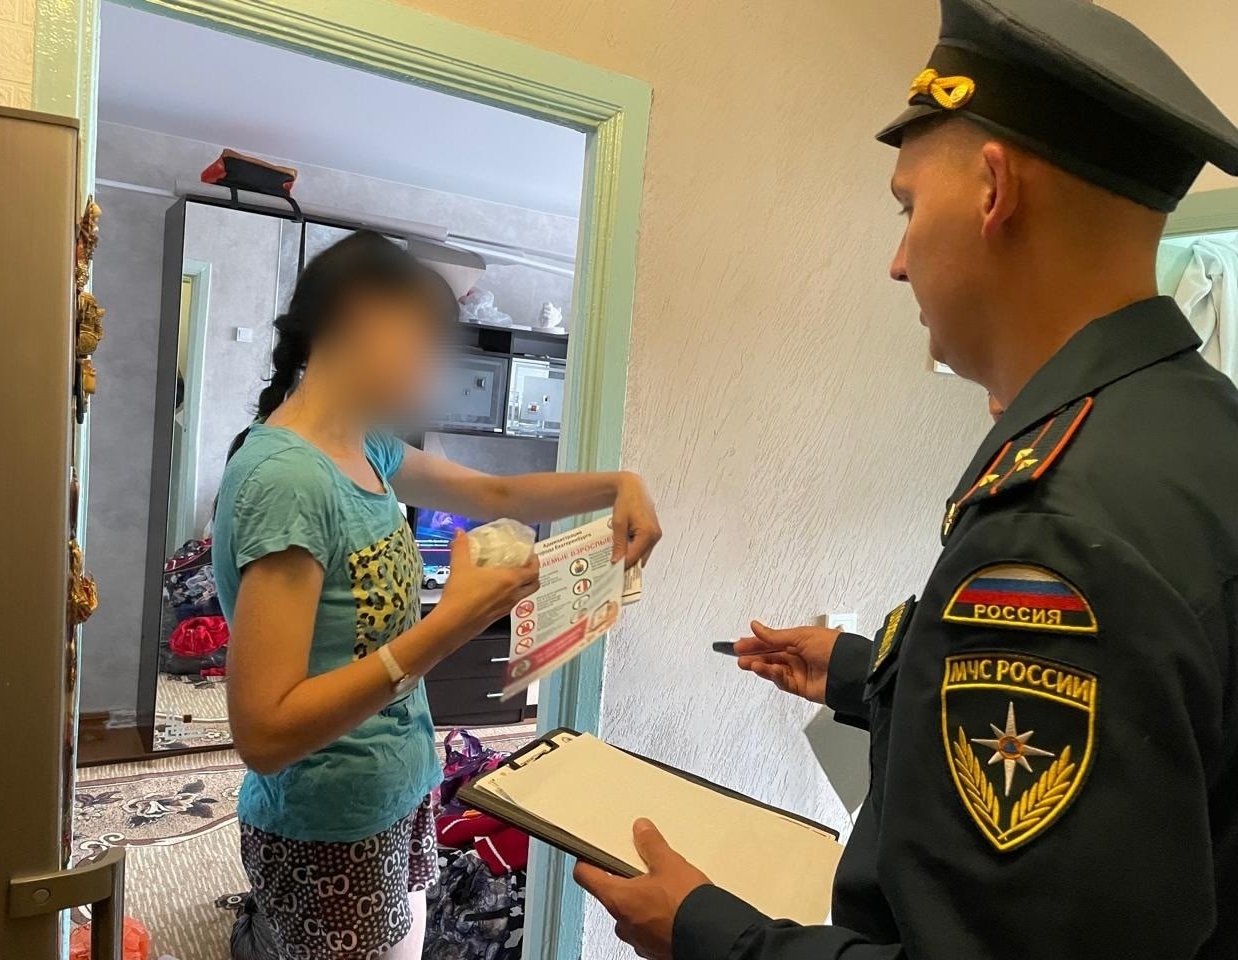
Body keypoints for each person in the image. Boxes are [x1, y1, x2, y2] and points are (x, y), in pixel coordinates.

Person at [576, 0, 1238, 957]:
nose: (896, 263)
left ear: (993, 191)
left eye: (907, 207)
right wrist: (872, 671)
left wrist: (710, 936)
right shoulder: (1195, 423)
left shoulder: (1053, 528)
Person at [213, 231, 662, 960]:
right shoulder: (288, 480)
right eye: (424, 343)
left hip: (400, 786)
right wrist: (452, 623)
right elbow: (264, 735)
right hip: (331, 824)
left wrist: (620, 485)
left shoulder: (365, 443)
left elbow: (496, 493)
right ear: (359, 321)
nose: (435, 370)